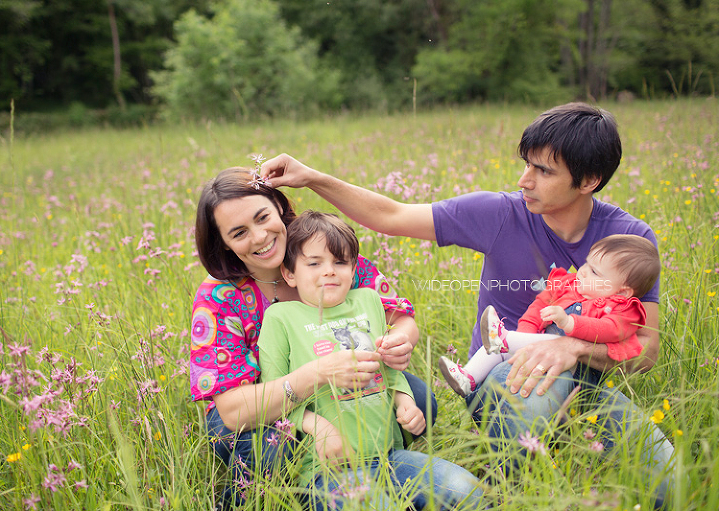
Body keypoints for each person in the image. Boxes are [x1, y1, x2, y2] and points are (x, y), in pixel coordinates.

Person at [260, 103, 676, 507]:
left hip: (588, 386)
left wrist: (575, 347)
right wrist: (312, 178)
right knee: (529, 405)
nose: (524, 180)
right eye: (526, 163)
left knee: (670, 485)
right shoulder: (499, 213)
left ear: (589, 180)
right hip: (502, 380)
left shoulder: (627, 241)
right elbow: (391, 215)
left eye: (543, 170)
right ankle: (509, 494)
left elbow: (647, 349)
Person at [191, 167, 437, 508]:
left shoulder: (323, 251)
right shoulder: (219, 297)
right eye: (239, 233)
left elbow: (400, 318)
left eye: (263, 217)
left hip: (339, 389)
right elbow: (232, 411)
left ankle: (368, 469)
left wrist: (398, 342)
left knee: (420, 396)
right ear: (225, 244)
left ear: (278, 206)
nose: (260, 236)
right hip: (257, 409)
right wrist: (316, 375)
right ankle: (258, 498)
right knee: (273, 443)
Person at [258, 210, 483, 510]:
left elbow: (386, 367)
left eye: (340, 262)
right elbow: (274, 395)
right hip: (327, 471)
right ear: (289, 273)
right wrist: (318, 426)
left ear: (353, 269)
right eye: (314, 263)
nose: (329, 271)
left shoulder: (367, 301)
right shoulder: (281, 318)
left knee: (470, 493)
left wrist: (404, 401)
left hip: (389, 456)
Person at [440, 234, 659, 397]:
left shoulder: (622, 309)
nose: (582, 271)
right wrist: (525, 337)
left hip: (577, 373)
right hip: (541, 355)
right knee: (497, 351)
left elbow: (608, 331)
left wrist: (570, 322)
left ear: (622, 291)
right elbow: (536, 310)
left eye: (594, 272)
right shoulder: (568, 286)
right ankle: (468, 378)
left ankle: (505, 339)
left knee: (519, 342)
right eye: (586, 263)